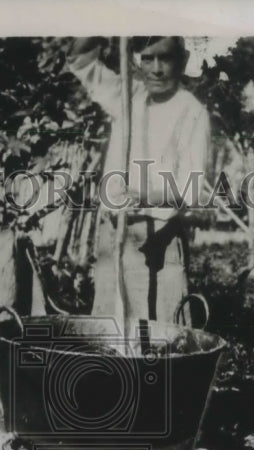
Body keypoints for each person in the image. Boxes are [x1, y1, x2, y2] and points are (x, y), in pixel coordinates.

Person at [67, 36, 210, 323]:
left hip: (160, 238)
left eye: (165, 58)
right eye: (147, 58)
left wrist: (144, 194)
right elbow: (80, 61)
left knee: (161, 334)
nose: (156, 69)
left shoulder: (191, 111)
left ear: (181, 62)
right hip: (115, 233)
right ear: (136, 60)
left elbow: (191, 187)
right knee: (111, 331)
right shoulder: (127, 96)